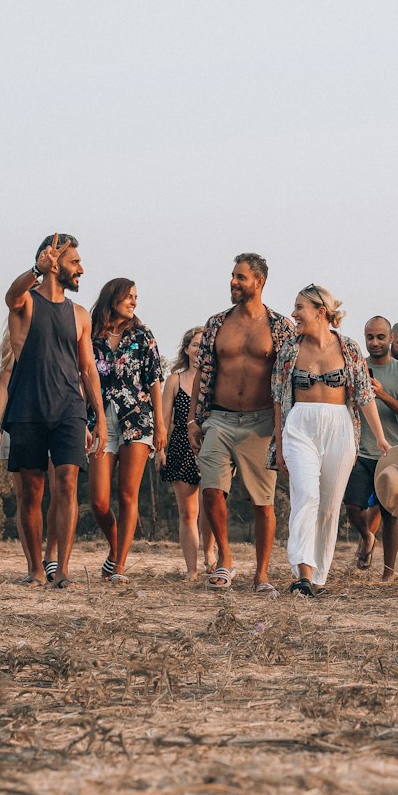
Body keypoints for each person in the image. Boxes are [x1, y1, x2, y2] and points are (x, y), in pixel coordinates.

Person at [3, 233, 107, 588]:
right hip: (27, 408)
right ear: (53, 263)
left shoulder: (79, 315)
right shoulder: (27, 304)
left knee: (67, 485)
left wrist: (100, 417)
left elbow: (88, 369)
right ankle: (34, 569)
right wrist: (35, 270)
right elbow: (11, 296)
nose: (81, 269)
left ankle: (61, 570)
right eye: (75, 262)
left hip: (68, 410)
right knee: (30, 493)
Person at [273, 286, 391, 596]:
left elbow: (364, 396)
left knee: (328, 506)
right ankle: (303, 570)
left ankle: (319, 576)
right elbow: (277, 398)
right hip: (299, 425)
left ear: (320, 312)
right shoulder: (289, 350)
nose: (294, 314)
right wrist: (279, 444)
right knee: (307, 495)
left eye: (300, 307)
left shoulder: (349, 348)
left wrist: (379, 438)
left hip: (340, 427)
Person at [188, 253, 293, 594]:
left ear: (259, 283)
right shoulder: (217, 323)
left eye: (240, 277)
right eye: (233, 276)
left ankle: (261, 574)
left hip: (261, 421)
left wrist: (283, 429)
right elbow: (203, 373)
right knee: (211, 490)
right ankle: (225, 559)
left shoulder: (279, 327)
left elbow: (287, 381)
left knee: (263, 502)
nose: (233, 282)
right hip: (218, 416)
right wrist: (193, 419)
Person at [87, 279, 166, 585]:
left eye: (136, 297)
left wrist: (160, 424)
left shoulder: (143, 335)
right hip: (101, 420)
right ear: (113, 297)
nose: (134, 301)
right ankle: (116, 546)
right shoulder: (92, 336)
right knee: (98, 501)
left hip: (138, 419)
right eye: (128, 296)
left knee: (127, 494)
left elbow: (154, 380)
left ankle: (118, 566)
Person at [0, 325, 59, 583]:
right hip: (19, 421)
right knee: (26, 497)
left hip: (54, 418)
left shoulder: (59, 334)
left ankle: (51, 556)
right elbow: (3, 385)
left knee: (59, 491)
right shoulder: (12, 341)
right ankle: (33, 564)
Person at [343, 316, 398, 579]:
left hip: (391, 453)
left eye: (380, 337)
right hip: (359, 450)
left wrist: (381, 394)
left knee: (391, 514)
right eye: (370, 337)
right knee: (353, 506)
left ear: (391, 339)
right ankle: (367, 536)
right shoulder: (356, 367)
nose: (375, 342)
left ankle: (388, 574)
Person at [157, 326, 216, 580]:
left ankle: (210, 555)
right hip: (181, 445)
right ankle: (192, 570)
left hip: (213, 445)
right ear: (186, 349)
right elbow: (164, 420)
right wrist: (160, 450)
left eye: (203, 345)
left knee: (211, 506)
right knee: (188, 512)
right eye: (194, 345)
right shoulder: (174, 380)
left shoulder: (216, 380)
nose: (198, 349)